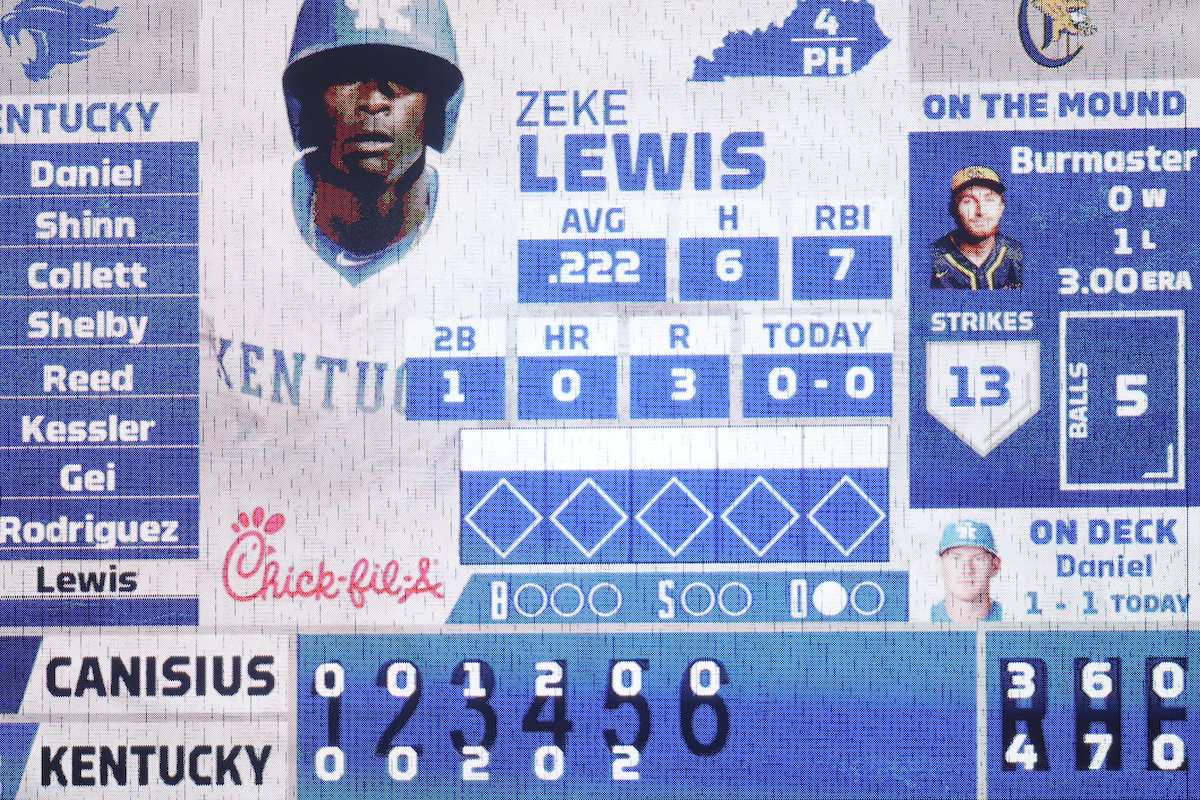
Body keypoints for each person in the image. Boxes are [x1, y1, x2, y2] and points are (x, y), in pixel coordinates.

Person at [282, 0, 464, 284]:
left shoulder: (489, 230)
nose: (373, 101)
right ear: (310, 97)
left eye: (403, 76)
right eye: (347, 74)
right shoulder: (233, 220)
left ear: (437, 104)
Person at [931, 166, 1023, 290]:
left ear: (1001, 207)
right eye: (968, 201)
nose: (980, 211)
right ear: (953, 209)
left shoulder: (1019, 256)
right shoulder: (931, 260)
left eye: (989, 200)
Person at [932, 520, 1003, 622]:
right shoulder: (921, 619)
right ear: (940, 565)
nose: (967, 570)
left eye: (978, 559)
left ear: (995, 566)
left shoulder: (1012, 617)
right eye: (956, 559)